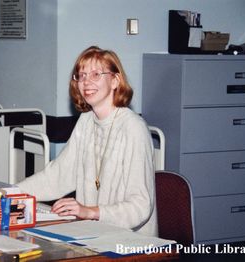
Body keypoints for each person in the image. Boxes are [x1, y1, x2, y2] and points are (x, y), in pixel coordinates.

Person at [17, 46, 157, 236]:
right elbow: (59, 176)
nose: (86, 82)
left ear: (115, 81)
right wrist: (9, 192)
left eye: (96, 74)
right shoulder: (86, 120)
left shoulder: (133, 128)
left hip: (130, 243)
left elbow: (140, 206)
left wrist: (89, 212)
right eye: (81, 75)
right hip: (95, 234)